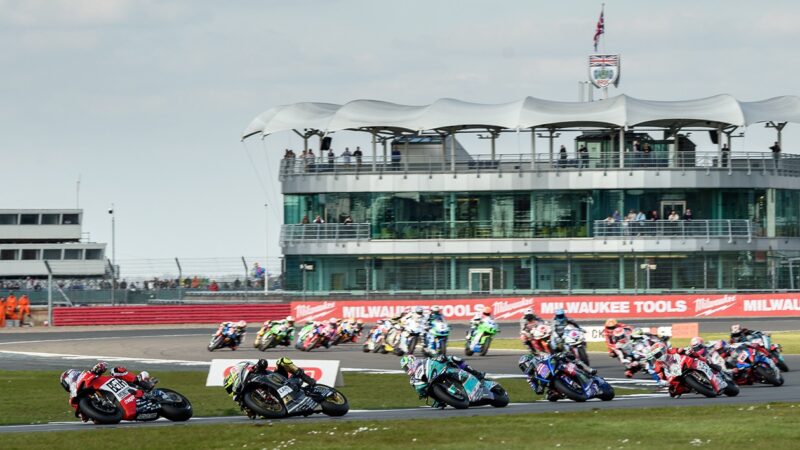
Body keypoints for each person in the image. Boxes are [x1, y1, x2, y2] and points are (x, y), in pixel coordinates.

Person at [400, 354, 485, 407]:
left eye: (406, 367)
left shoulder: (424, 362)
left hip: (442, 371)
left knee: (454, 358)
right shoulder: (413, 380)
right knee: (435, 402)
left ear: (411, 362)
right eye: (405, 369)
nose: (406, 370)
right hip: (432, 385)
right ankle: (441, 400)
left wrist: (440, 358)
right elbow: (419, 391)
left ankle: (476, 373)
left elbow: (433, 359)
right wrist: (422, 394)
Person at [224, 358, 316, 401]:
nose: (230, 391)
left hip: (281, 380)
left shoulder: (252, 372)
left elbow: (263, 362)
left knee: (282, 361)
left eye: (229, 388)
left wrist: (258, 365)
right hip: (279, 400)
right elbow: (252, 415)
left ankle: (307, 379)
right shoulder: (243, 400)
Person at [518, 352, 596, 399]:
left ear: (531, 360)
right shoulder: (529, 377)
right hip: (549, 382)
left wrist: (558, 355)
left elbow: (550, 356)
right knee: (550, 397)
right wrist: (539, 389)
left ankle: (588, 369)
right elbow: (536, 389)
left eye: (525, 365)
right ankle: (568, 393)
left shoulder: (540, 358)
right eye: (522, 367)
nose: (525, 368)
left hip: (555, 368)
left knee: (569, 358)